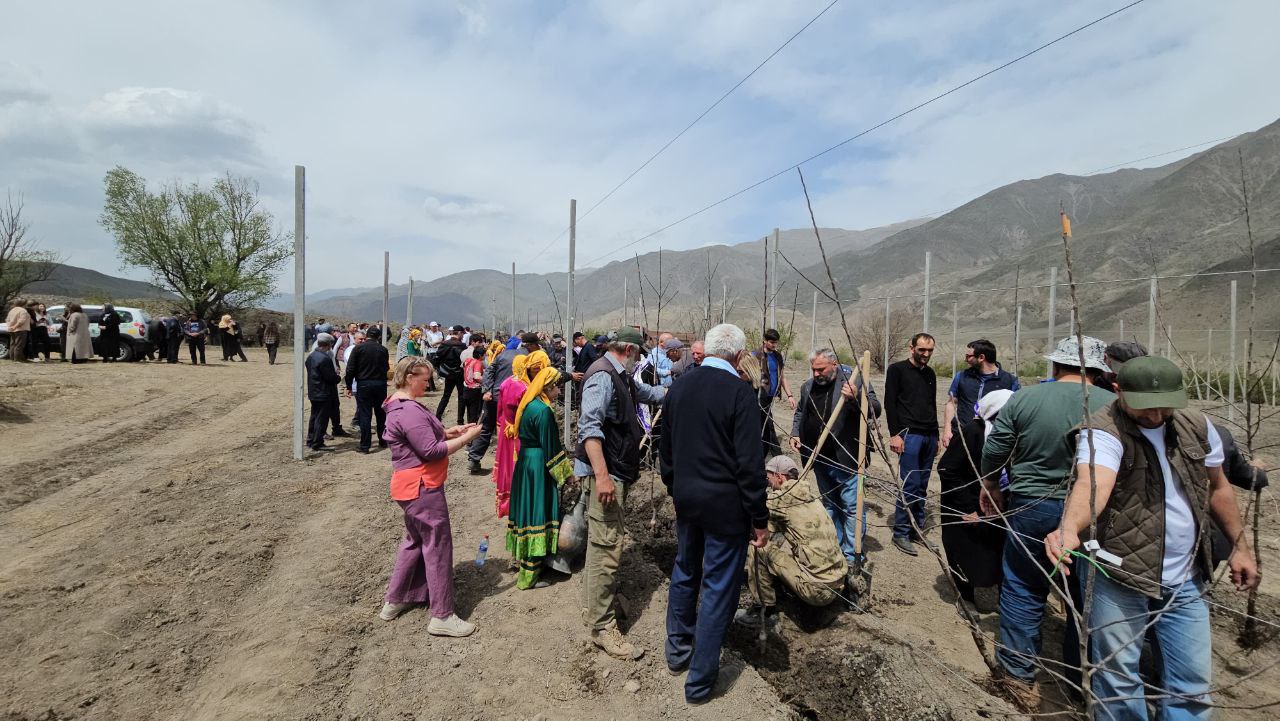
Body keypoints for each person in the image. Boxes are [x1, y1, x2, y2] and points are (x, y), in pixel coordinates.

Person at [1048, 356, 1259, 720]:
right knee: (1117, 679)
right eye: (1145, 407)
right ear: (1117, 391)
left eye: (1165, 406)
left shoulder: (1197, 425)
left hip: (1186, 579)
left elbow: (1219, 489)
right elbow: (1092, 484)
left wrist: (1241, 546)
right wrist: (1068, 528)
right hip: (1120, 575)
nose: (1156, 415)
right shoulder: (1102, 431)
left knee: (1192, 683)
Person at [979, 336, 1115, 703]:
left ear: (1056, 367)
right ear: (1100, 371)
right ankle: (1080, 680)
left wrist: (990, 482)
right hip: (1092, 514)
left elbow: (996, 447)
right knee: (1086, 598)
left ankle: (1019, 678)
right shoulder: (1114, 405)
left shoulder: (1025, 397)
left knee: (1023, 586)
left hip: (1031, 506)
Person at [659, 323, 766, 703]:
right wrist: (760, 519)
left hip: (688, 501)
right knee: (719, 587)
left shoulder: (680, 387)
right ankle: (700, 682)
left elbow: (665, 448)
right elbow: (750, 466)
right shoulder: (740, 395)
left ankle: (677, 653)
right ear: (738, 356)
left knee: (686, 569)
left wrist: (674, 487)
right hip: (726, 509)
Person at [577, 327, 666, 660]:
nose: (640, 359)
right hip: (607, 474)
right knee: (607, 546)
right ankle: (602, 627)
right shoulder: (602, 376)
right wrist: (602, 478)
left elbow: (646, 392)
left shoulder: (622, 376)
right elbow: (589, 428)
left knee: (603, 541)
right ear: (627, 349)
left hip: (614, 470)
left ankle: (598, 602)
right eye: (639, 354)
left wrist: (680, 390)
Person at [377, 356, 483, 636]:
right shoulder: (408, 411)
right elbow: (431, 451)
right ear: (410, 377)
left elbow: (421, 436)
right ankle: (442, 615)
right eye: (425, 380)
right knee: (437, 545)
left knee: (414, 541)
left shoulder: (398, 406)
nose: (429, 384)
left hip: (409, 487)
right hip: (422, 487)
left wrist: (448, 431)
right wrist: (465, 440)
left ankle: (396, 598)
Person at [789, 349, 881, 566]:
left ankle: (851, 555)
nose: (817, 373)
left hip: (847, 458)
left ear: (834, 365)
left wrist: (856, 397)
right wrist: (795, 432)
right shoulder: (808, 386)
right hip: (819, 457)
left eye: (821, 369)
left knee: (851, 507)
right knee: (829, 505)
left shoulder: (852, 380)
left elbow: (875, 408)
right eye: (813, 369)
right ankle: (835, 547)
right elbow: (801, 411)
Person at [742, 455, 847, 618]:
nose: (768, 484)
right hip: (839, 583)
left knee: (756, 546)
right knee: (776, 538)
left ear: (779, 477)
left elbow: (754, 515)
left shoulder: (780, 499)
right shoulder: (810, 496)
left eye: (768, 478)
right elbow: (776, 527)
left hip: (816, 591)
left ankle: (763, 608)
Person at [936, 388, 1011, 610]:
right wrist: (967, 508)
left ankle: (991, 594)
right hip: (963, 504)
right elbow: (947, 469)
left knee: (991, 554)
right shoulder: (974, 432)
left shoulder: (1007, 435)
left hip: (992, 506)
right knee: (964, 553)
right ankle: (965, 598)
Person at [507, 365, 569, 589]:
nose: (559, 392)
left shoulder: (529, 405)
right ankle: (530, 575)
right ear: (548, 387)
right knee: (537, 511)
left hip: (526, 462)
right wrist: (567, 475)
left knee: (526, 510)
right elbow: (552, 448)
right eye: (557, 388)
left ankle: (523, 560)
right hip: (539, 464)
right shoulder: (543, 411)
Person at [884, 332, 939, 555]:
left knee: (922, 486)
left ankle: (917, 530)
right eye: (922, 350)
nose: (926, 354)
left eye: (930, 350)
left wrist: (935, 436)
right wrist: (895, 434)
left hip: (928, 435)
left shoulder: (931, 374)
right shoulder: (897, 370)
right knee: (910, 485)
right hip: (909, 434)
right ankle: (901, 532)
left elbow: (931, 404)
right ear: (911, 348)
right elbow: (890, 402)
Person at [467, 332, 536, 474]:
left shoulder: (504, 354)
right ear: (532, 345)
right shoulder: (530, 359)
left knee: (486, 428)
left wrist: (487, 390)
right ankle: (511, 464)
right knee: (514, 430)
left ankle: (474, 459)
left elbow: (489, 373)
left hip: (494, 396)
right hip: (514, 400)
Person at [496, 350, 550, 516]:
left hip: (507, 430)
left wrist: (501, 425)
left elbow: (500, 410)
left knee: (508, 467)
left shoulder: (506, 383)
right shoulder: (525, 389)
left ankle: (509, 502)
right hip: (520, 434)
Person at [941, 338, 1019, 448]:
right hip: (961, 435)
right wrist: (947, 430)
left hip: (992, 439)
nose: (965, 360)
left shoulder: (1009, 381)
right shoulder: (962, 376)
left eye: (968, 356)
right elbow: (951, 403)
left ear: (981, 357)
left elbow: (1015, 411)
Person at [345, 327, 390, 454]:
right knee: (381, 414)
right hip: (380, 384)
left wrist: (348, 386)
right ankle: (383, 440)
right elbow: (386, 367)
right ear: (379, 337)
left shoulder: (358, 348)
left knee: (365, 415)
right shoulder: (383, 349)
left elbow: (350, 369)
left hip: (363, 384)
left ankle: (365, 446)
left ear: (367, 335)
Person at [755, 328, 797, 456]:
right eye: (771, 342)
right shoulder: (756, 355)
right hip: (758, 395)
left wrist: (789, 395)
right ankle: (777, 455)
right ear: (765, 341)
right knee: (768, 424)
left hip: (770, 396)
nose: (774, 345)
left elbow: (782, 377)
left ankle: (763, 454)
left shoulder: (777, 356)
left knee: (765, 425)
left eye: (776, 342)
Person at [306, 334, 341, 452]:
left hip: (313, 391)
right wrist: (338, 378)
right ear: (329, 345)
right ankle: (317, 442)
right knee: (322, 418)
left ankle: (310, 440)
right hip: (323, 392)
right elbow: (330, 377)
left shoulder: (311, 356)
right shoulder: (324, 358)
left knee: (314, 416)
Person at [434, 325, 467, 424]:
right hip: (460, 374)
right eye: (462, 334)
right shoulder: (462, 346)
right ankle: (460, 421)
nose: (463, 336)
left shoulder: (444, 344)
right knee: (461, 397)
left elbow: (437, 357)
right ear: (460, 333)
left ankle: (437, 417)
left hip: (448, 374)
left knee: (445, 396)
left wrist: (439, 369)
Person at [460, 334, 486, 424]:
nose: (485, 357)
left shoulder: (468, 360)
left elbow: (464, 367)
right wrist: (486, 381)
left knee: (470, 412)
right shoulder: (478, 363)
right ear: (480, 355)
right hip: (474, 390)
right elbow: (477, 377)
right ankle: (472, 434)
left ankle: (469, 429)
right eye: (484, 355)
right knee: (474, 414)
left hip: (466, 388)